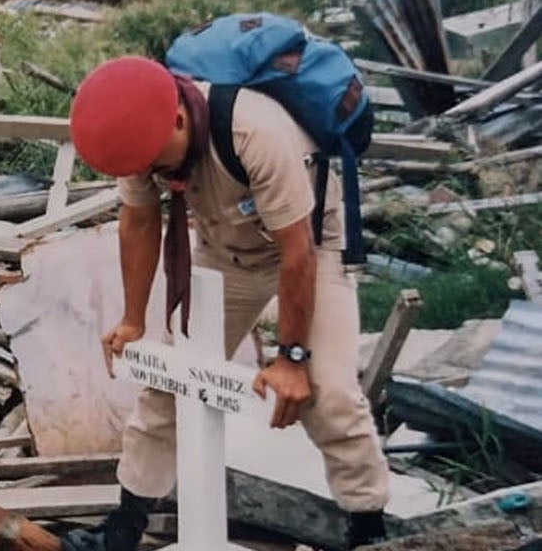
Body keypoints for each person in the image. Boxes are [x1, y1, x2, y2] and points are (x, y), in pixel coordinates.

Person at [64, 56, 389, 550]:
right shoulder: (139, 140)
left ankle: (369, 528)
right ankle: (124, 527)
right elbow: (140, 220)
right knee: (167, 385)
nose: (153, 173)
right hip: (228, 251)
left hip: (313, 245)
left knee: (330, 394)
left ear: (178, 118)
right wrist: (133, 320)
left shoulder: (254, 132)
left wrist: (292, 358)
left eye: (156, 162)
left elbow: (297, 255)